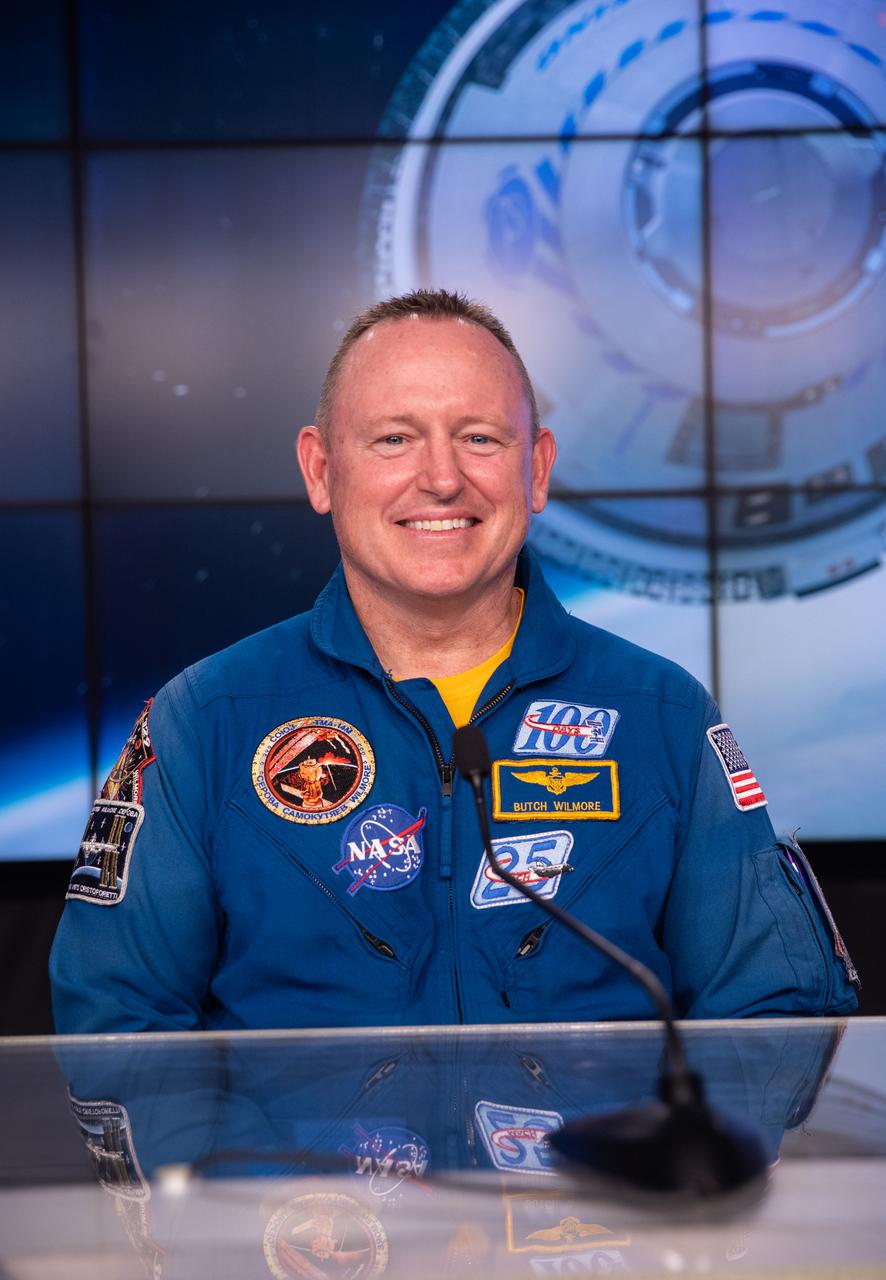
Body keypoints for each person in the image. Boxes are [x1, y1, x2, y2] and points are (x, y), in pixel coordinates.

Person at [50, 289, 858, 1031]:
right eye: (394, 439)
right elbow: (116, 1022)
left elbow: (773, 1016)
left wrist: (663, 1184)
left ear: (535, 469)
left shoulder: (662, 714)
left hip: (602, 1189)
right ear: (321, 470)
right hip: (295, 1193)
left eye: (478, 438)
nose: (441, 479)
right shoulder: (206, 719)